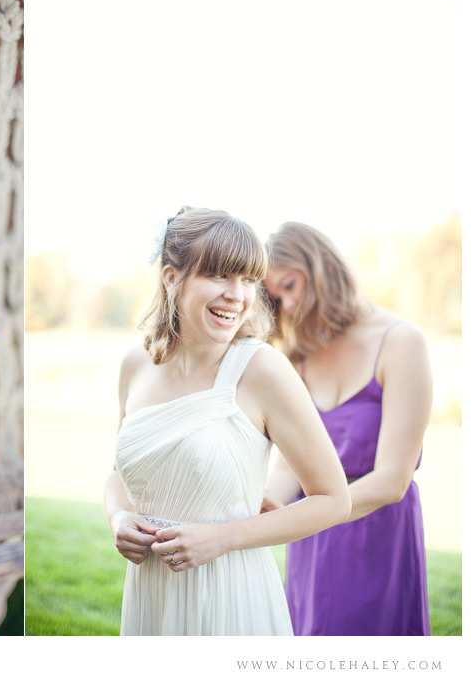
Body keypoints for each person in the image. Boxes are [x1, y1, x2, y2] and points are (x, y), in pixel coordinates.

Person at [103, 207, 350, 636]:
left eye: (249, 279)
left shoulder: (263, 371)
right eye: (219, 275)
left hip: (230, 595)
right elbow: (118, 474)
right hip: (150, 595)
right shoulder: (134, 365)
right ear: (171, 278)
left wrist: (222, 538)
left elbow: (333, 499)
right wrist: (119, 519)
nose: (238, 295)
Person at [262, 222, 432, 636]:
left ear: (321, 266)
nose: (286, 304)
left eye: (289, 285)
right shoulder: (298, 357)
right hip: (311, 538)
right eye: (275, 298)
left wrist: (313, 512)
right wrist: (268, 508)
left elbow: (393, 480)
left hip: (379, 534)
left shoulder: (402, 343)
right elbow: (288, 465)